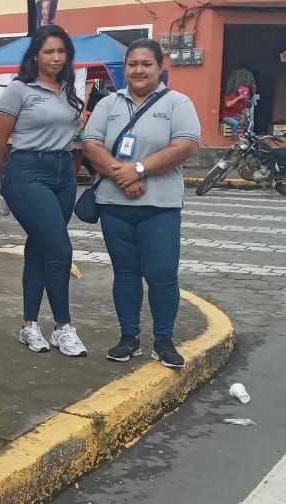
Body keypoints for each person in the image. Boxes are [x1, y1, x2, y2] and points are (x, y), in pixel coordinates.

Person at [81, 39, 200, 368]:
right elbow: (90, 144)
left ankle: (163, 341)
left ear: (160, 67)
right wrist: (123, 175)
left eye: (146, 64)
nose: (139, 70)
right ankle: (128, 337)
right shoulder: (108, 103)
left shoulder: (177, 103)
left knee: (162, 273)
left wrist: (140, 169)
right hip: (113, 204)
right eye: (133, 64)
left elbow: (186, 145)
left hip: (160, 206)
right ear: (125, 67)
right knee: (126, 273)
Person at [0, 25, 89, 357]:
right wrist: (7, 182)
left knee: (40, 248)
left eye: (62, 51)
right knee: (60, 250)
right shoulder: (19, 90)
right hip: (27, 171)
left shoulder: (70, 90)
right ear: (35, 55)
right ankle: (63, 327)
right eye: (49, 51)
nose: (56, 57)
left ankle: (29, 325)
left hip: (64, 173)